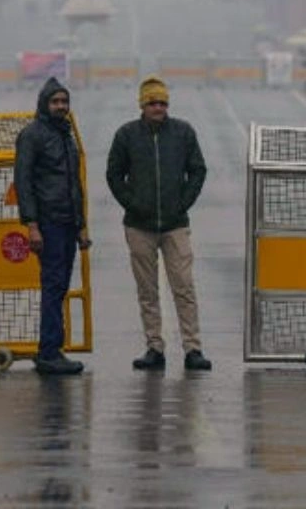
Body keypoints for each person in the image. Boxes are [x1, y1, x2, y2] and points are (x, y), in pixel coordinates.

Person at [106, 75, 211, 371]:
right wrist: (133, 203)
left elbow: (198, 170)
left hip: (175, 224)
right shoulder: (126, 135)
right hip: (139, 226)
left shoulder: (183, 132)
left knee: (184, 287)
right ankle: (154, 347)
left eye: (163, 102)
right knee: (147, 290)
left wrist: (183, 202)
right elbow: (114, 174)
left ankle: (193, 348)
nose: (158, 107)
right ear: (142, 104)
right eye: (153, 102)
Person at [14, 76, 90, 376]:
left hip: (68, 222)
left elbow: (75, 185)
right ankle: (49, 352)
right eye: (55, 102)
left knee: (58, 287)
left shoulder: (65, 135)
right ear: (44, 105)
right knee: (53, 286)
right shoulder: (32, 135)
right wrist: (32, 225)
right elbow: (24, 182)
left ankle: (51, 349)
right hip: (48, 224)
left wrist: (81, 226)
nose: (61, 106)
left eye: (64, 102)